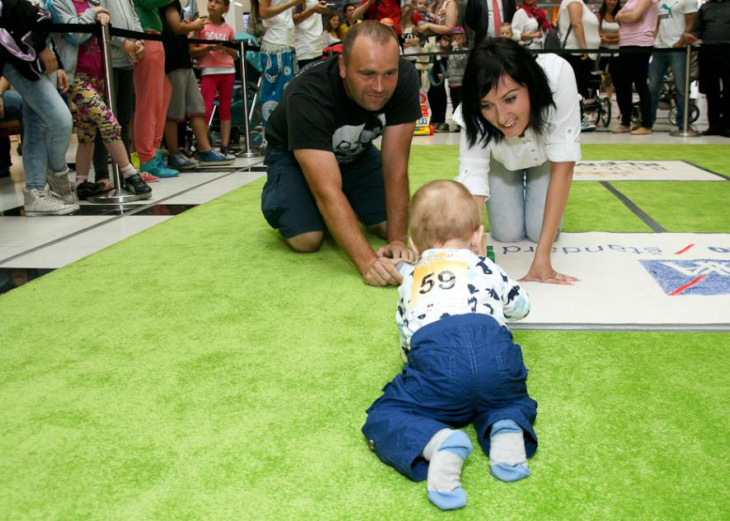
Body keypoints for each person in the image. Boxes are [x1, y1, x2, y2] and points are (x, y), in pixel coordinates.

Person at [362, 180, 536, 511]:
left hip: (438, 360)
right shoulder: (487, 266)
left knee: (386, 413)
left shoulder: (412, 276)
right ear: (477, 236)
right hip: (495, 355)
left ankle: (437, 441)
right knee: (509, 397)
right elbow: (521, 308)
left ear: (413, 244)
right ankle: (506, 427)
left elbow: (407, 336)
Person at [260, 22, 421, 286]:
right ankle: (288, 195)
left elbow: (395, 167)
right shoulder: (308, 93)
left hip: (356, 153)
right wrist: (368, 262)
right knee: (307, 239)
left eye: (388, 74)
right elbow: (327, 191)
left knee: (389, 224)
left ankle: (346, 208)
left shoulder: (405, 77)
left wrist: (396, 240)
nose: (379, 87)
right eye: (367, 74)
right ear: (344, 67)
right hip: (293, 158)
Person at [455, 38, 581, 284]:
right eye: (487, 105)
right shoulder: (474, 111)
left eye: (510, 99)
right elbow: (473, 174)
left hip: (546, 159)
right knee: (506, 233)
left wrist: (542, 258)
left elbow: (563, 165)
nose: (502, 117)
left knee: (539, 233)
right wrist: (467, 250)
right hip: (502, 162)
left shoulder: (558, 74)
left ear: (530, 85)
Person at [49, 0, 153, 199]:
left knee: (87, 132)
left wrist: (98, 12)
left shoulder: (92, 2)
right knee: (108, 122)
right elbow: (76, 33)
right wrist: (94, 12)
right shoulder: (58, 3)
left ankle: (81, 183)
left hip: (98, 73)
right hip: (77, 77)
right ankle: (129, 172)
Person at [0, 0, 78, 215]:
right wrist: (41, 47)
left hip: (36, 59)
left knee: (36, 124)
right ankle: (55, 177)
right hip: (18, 58)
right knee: (59, 120)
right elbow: (14, 16)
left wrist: (55, 61)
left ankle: (36, 191)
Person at [160, 0, 236, 168]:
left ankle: (205, 149)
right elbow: (176, 27)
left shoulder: (228, 28)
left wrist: (190, 26)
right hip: (174, 59)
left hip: (183, 59)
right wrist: (195, 25)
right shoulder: (168, 2)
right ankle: (174, 153)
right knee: (174, 110)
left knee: (197, 108)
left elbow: (179, 27)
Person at [90, 0, 155, 197]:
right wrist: (122, 42)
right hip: (107, 61)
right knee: (105, 121)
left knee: (124, 118)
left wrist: (139, 42)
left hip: (127, 61)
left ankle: (125, 172)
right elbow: (97, 18)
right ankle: (102, 175)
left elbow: (135, 18)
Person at [191, 0, 239, 158]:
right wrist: (210, 47)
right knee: (206, 108)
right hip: (208, 71)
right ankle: (204, 145)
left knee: (225, 108)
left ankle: (225, 145)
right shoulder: (200, 26)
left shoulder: (228, 29)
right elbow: (193, 51)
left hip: (227, 70)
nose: (212, 5)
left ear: (225, 8)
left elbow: (236, 54)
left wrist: (225, 47)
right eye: (211, 1)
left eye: (217, 2)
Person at [647, 0, 696, 132]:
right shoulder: (661, 1)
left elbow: (691, 23)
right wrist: (655, 40)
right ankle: (648, 122)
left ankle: (683, 122)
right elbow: (658, 23)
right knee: (652, 87)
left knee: (681, 87)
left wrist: (680, 42)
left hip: (677, 49)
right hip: (660, 48)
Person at [252, 0, 302, 129]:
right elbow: (263, 12)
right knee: (275, 95)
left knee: (286, 94)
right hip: (277, 45)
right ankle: (271, 137)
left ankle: (280, 135)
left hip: (286, 43)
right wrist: (293, 3)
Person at [614, 0, 658, 135]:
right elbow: (621, 16)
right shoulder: (630, 1)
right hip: (625, 43)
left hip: (641, 43)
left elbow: (634, 16)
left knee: (640, 83)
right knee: (623, 84)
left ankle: (646, 124)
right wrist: (623, 16)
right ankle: (625, 121)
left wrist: (621, 16)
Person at [689, 0, 730, 137]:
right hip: (708, 50)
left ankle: (726, 124)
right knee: (711, 90)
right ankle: (713, 125)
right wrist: (692, 38)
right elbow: (697, 29)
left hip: (727, 50)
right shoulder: (705, 7)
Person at [294, 0, 330, 69]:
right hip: (304, 48)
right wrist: (313, 10)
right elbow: (295, 18)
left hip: (317, 47)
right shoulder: (299, 3)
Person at [598, 0, 620, 101]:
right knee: (605, 77)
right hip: (603, 53)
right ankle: (609, 98)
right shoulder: (600, 15)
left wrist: (607, 38)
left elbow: (623, 34)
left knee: (618, 78)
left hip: (618, 53)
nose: (612, 2)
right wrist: (615, 37)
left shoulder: (620, 14)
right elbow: (598, 35)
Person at [447, 26, 468, 114]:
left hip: (461, 84)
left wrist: (455, 48)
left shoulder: (465, 51)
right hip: (452, 83)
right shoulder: (451, 52)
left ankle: (463, 124)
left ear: (463, 40)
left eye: (459, 39)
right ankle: (457, 125)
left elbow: (459, 61)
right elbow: (450, 65)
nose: (456, 41)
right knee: (455, 105)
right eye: (454, 39)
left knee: (462, 105)